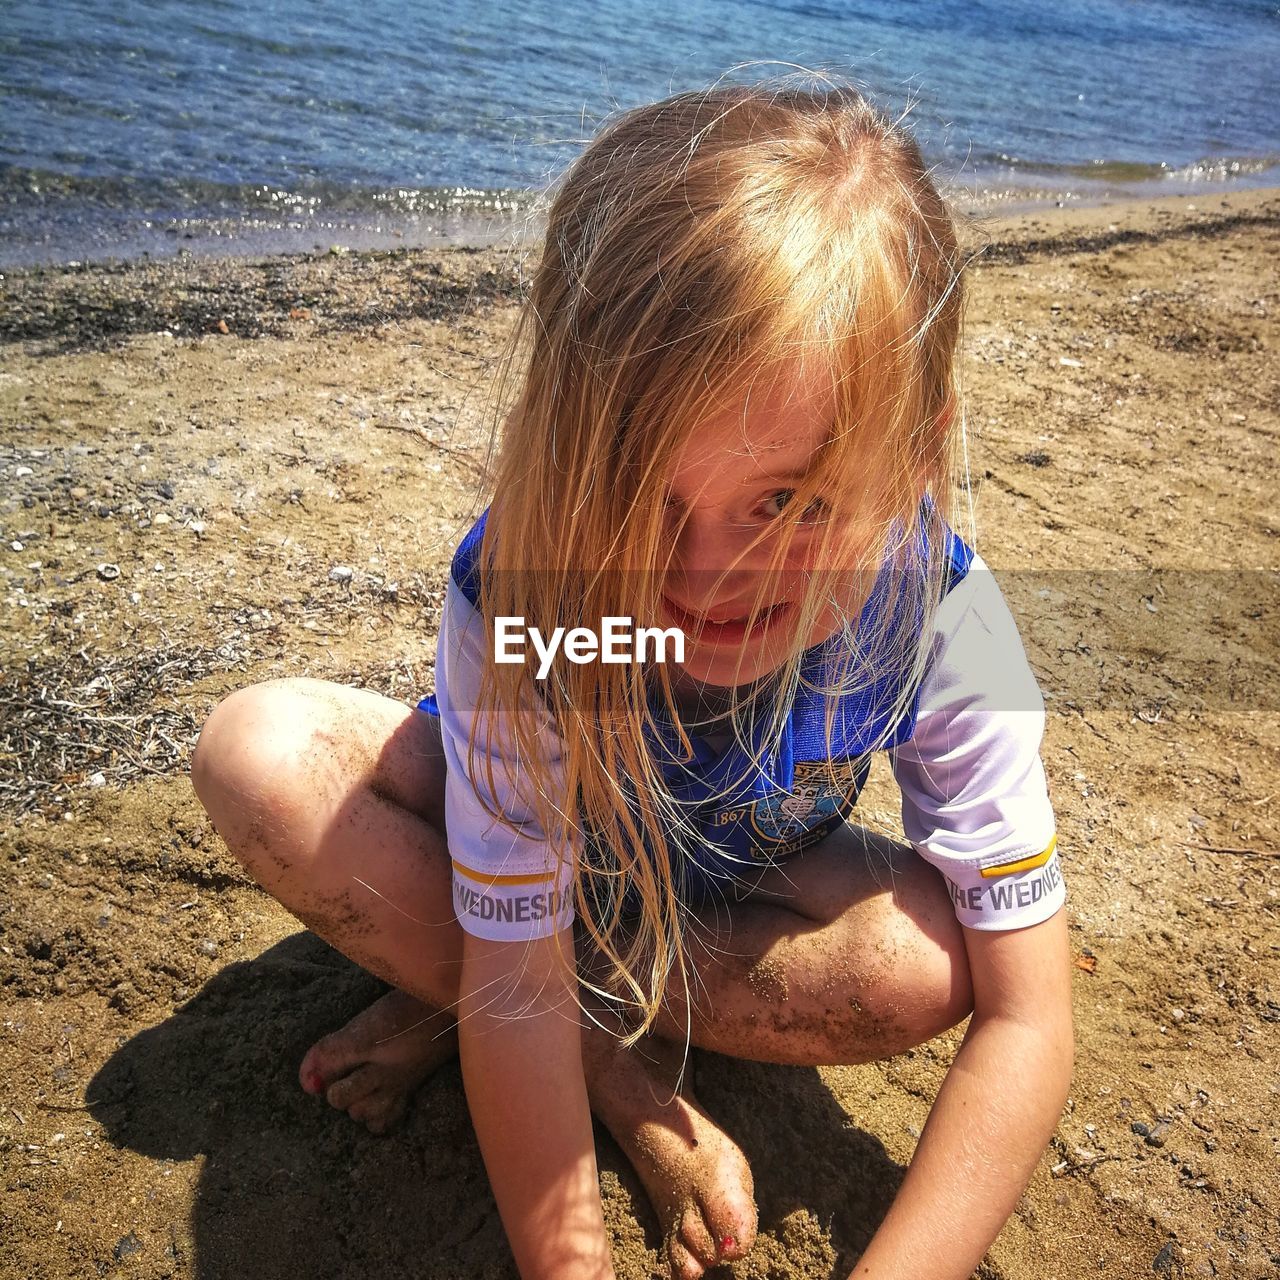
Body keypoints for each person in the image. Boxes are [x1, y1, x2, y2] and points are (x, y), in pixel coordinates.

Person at [191, 79, 1073, 1280]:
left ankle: (528, 1018)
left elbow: (1027, 1017)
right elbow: (513, 968)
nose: (706, 580)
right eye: (644, 492)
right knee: (257, 755)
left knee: (928, 958)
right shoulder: (536, 593)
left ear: (916, 456)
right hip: (527, 848)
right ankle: (617, 1073)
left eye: (788, 502)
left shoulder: (940, 621)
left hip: (724, 868)